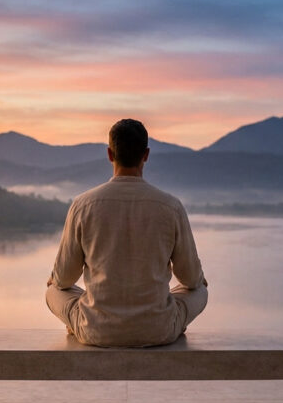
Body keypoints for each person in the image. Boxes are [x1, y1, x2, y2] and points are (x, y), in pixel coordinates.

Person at [45, 118, 208, 347]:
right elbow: (191, 279)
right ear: (146, 155)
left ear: (110, 154)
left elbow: (64, 279)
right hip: (159, 330)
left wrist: (56, 279)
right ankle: (162, 322)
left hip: (96, 330)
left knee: (53, 291)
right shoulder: (170, 206)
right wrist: (199, 280)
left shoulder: (83, 205)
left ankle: (78, 325)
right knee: (200, 290)